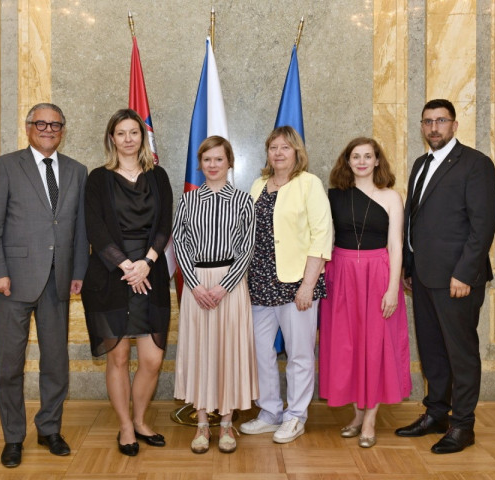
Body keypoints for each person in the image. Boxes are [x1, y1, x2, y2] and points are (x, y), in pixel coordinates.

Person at [0, 103, 89, 468]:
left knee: (56, 363)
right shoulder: (5, 166)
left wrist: (78, 270)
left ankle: (49, 429)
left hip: (58, 281)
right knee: (10, 365)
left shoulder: (76, 171)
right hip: (12, 282)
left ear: (63, 129)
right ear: (28, 128)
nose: (47, 129)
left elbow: (79, 228)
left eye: (54, 124)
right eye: (40, 123)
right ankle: (13, 437)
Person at [395, 99, 495, 454]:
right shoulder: (421, 164)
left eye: (441, 121)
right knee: (433, 351)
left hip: (457, 279)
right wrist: (409, 268)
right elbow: (414, 221)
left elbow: (482, 226)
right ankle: (436, 414)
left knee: (461, 353)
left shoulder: (475, 164)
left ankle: (463, 426)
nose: (433, 127)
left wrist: (464, 274)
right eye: (427, 122)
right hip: (423, 277)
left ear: (454, 125)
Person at [81, 108, 172, 457]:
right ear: (112, 138)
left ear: (143, 137)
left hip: (151, 273)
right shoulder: (97, 179)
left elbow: (165, 223)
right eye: (121, 133)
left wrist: (146, 263)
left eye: (135, 132)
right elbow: (95, 228)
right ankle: (124, 426)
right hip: (110, 276)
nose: (129, 139)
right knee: (117, 358)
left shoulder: (158, 175)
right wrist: (126, 266)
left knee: (151, 359)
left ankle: (141, 419)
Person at [239, 126, 332, 443]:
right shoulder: (257, 185)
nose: (278, 153)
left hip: (297, 286)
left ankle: (295, 416)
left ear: (297, 153)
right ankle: (269, 412)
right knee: (260, 352)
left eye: (285, 147)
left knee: (299, 354)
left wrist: (308, 285)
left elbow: (322, 235)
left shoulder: (310, 184)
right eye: (273, 147)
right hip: (259, 284)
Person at [319, 137, 411, 448]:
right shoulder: (333, 197)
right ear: (346, 162)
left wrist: (392, 289)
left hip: (378, 275)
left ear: (376, 161)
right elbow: (324, 239)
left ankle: (370, 418)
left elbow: (396, 245)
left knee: (375, 346)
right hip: (342, 275)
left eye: (367, 156)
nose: (361, 161)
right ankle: (357, 415)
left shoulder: (391, 198)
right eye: (355, 156)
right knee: (349, 346)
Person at [173, 136, 258, 454]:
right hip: (196, 286)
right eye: (206, 159)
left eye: (218, 159)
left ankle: (226, 424)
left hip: (231, 286)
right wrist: (194, 284)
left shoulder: (243, 201)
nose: (212, 165)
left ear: (230, 162)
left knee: (227, 351)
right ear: (200, 164)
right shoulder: (188, 201)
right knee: (202, 351)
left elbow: (248, 247)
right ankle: (202, 423)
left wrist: (224, 285)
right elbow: (180, 242)